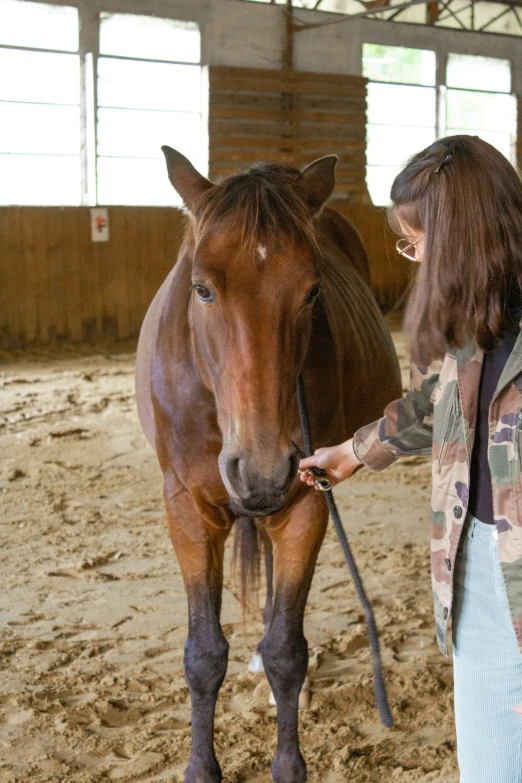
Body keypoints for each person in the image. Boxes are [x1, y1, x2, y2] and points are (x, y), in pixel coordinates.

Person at [299, 135, 522, 783]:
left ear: (459, 236)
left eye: (416, 240)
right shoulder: (476, 320)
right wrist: (352, 451)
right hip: (476, 564)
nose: (414, 255)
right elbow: (437, 404)